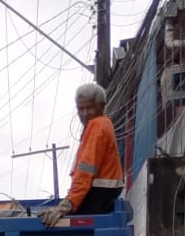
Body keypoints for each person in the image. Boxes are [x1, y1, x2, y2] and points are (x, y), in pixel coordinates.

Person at [40, 83, 124, 226]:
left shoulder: (97, 126)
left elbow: (85, 173)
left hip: (97, 194)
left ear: (101, 106)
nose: (84, 113)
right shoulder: (104, 124)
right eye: (81, 108)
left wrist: (67, 204)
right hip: (104, 194)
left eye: (89, 108)